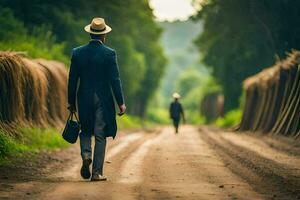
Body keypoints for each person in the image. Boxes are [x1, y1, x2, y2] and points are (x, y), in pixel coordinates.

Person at [67, 17, 126, 181]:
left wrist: (71, 101)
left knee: (85, 130)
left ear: (91, 34)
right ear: (104, 36)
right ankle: (96, 173)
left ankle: (86, 155)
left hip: (84, 97)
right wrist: (120, 102)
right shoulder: (109, 54)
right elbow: (115, 80)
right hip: (103, 98)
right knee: (100, 133)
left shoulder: (77, 53)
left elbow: (72, 79)